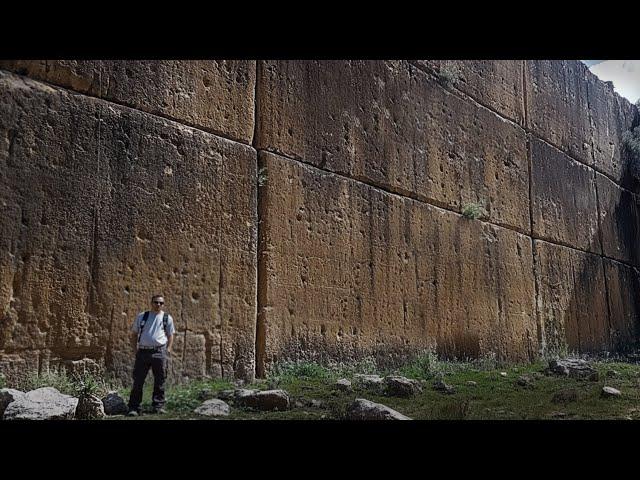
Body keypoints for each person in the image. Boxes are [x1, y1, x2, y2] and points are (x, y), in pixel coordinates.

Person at [127, 294, 175, 416]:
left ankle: (158, 406)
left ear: (163, 304)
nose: (158, 304)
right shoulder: (142, 316)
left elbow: (170, 335)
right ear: (151, 303)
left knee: (160, 380)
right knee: (138, 381)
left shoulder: (167, 318)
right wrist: (135, 350)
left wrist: (168, 349)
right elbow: (134, 334)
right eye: (156, 302)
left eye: (161, 303)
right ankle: (134, 407)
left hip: (159, 351)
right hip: (143, 352)